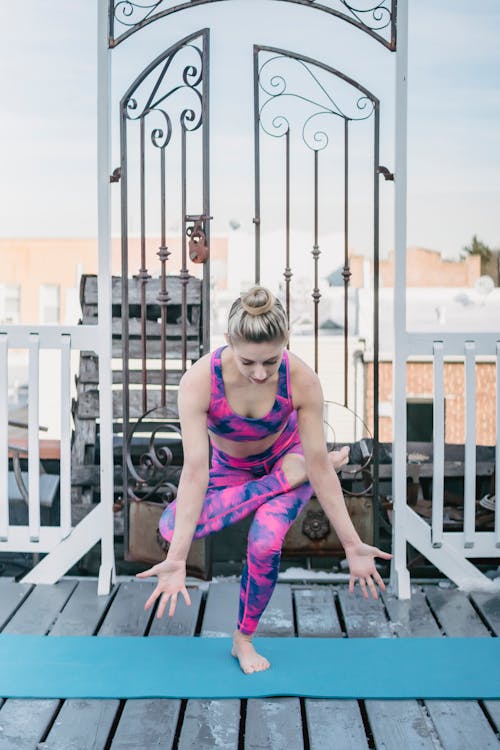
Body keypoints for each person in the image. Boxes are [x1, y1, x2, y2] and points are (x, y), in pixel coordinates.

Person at [137, 286, 392, 674]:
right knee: (172, 528)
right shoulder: (199, 381)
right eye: (248, 362)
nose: (259, 374)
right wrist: (177, 560)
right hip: (237, 470)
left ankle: (243, 638)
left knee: (266, 539)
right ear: (228, 343)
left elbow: (319, 465)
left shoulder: (301, 380)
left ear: (286, 343)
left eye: (271, 362)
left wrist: (353, 544)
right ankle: (283, 481)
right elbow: (194, 472)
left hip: (289, 457)